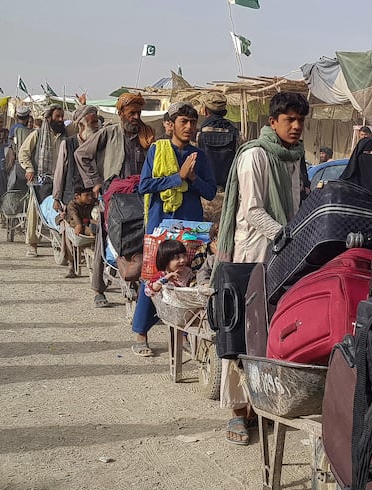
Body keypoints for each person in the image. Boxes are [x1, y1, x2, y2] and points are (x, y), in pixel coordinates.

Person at [216, 91, 309, 445]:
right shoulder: (255, 155)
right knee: (241, 329)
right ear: (273, 122)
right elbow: (253, 211)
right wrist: (287, 235)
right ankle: (238, 412)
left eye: (301, 120)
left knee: (273, 328)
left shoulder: (296, 158)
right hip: (252, 255)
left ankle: (264, 402)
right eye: (289, 119)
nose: (296, 126)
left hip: (284, 256)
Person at [132, 102, 217, 356]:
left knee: (188, 278)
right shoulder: (157, 150)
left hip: (190, 227)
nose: (189, 127)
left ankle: (187, 333)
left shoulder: (198, 156)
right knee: (154, 277)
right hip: (160, 224)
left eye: (193, 122)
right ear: (171, 125)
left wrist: (192, 179)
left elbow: (211, 192)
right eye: (184, 122)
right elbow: (144, 185)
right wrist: (177, 177)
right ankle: (140, 332)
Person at [75, 93, 155, 308]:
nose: (136, 117)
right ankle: (98, 288)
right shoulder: (108, 133)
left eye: (139, 113)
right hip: (114, 196)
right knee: (106, 235)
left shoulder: (148, 136)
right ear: (120, 114)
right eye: (131, 113)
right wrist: (95, 181)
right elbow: (81, 154)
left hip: (140, 195)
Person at [18, 104, 76, 256]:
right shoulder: (37, 134)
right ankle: (32, 243)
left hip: (62, 179)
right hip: (42, 180)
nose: (61, 120)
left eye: (62, 117)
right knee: (34, 209)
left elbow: (79, 124)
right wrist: (29, 168)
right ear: (48, 118)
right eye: (57, 116)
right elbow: (23, 152)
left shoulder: (67, 133)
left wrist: (81, 105)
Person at [195, 92, 240, 190]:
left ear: (205, 111)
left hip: (205, 191)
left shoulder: (198, 134)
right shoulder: (236, 133)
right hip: (229, 191)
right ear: (225, 112)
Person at [59, 186, 97, 278]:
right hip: (73, 226)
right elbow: (74, 215)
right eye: (86, 195)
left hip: (87, 224)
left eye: (91, 195)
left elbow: (93, 216)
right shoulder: (72, 204)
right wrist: (79, 225)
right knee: (69, 241)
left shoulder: (91, 203)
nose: (90, 197)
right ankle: (71, 265)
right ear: (77, 196)